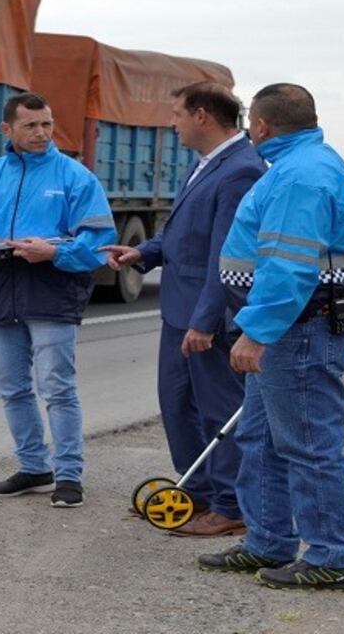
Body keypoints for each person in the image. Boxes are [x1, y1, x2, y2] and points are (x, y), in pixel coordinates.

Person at [198, 83, 344, 590]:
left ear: (260, 126)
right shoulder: (301, 166)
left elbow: (289, 264)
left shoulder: (301, 176)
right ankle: (268, 541)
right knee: (260, 438)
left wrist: (255, 333)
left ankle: (331, 557)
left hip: (300, 327)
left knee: (307, 445)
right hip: (291, 327)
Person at [0, 92, 116, 508]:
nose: (41, 133)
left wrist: (54, 253)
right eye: (31, 125)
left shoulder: (76, 177)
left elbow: (100, 243)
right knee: (11, 387)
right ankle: (34, 467)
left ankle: (69, 475)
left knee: (57, 387)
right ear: (7, 129)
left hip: (52, 288)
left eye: (47, 124)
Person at [101, 82, 264, 536]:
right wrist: (145, 253)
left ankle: (230, 505)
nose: (170, 123)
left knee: (216, 409)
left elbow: (224, 256)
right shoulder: (206, 165)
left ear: (202, 116)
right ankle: (196, 491)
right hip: (180, 311)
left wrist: (206, 320)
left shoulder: (240, 171)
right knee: (177, 406)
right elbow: (186, 235)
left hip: (204, 319)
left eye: (176, 114)